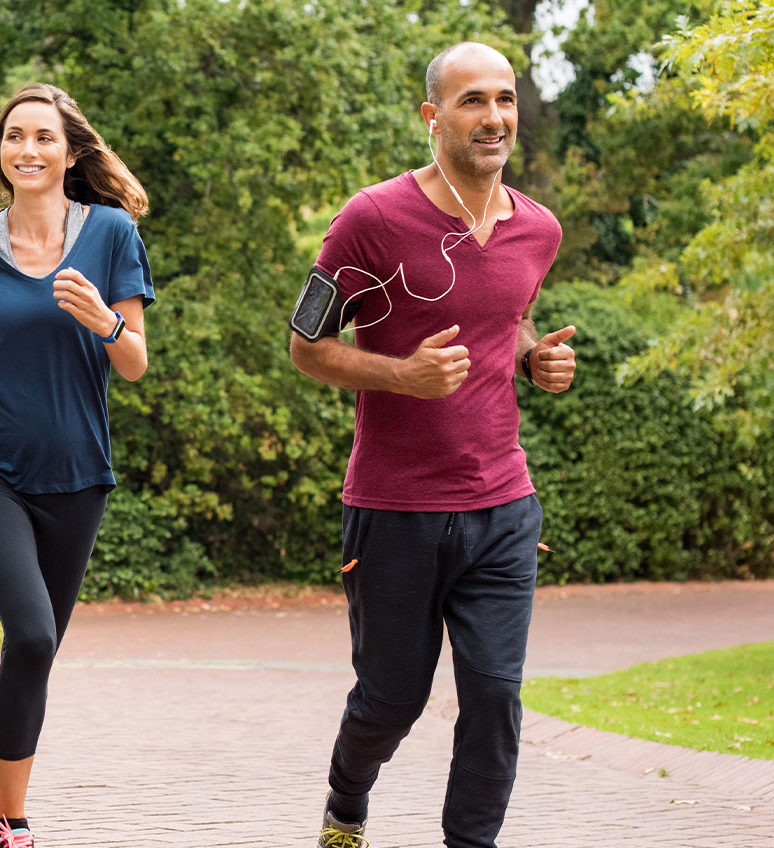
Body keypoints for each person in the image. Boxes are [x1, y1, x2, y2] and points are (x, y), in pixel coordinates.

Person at [288, 42, 578, 848]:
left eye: (505, 100)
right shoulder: (372, 218)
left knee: (494, 695)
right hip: (394, 507)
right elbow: (305, 345)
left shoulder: (538, 229)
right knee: (391, 698)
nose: (495, 118)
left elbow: (505, 318)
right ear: (432, 117)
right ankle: (347, 802)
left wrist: (534, 357)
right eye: (473, 102)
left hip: (502, 505)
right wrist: (400, 375)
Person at [0, 83, 154, 848]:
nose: (27, 150)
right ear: (0, 151)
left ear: (70, 151)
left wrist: (103, 320)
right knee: (29, 634)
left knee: (40, 650)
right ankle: (15, 823)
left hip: (77, 471)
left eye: (43, 138)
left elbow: (134, 364)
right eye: (14, 137)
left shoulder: (112, 236)